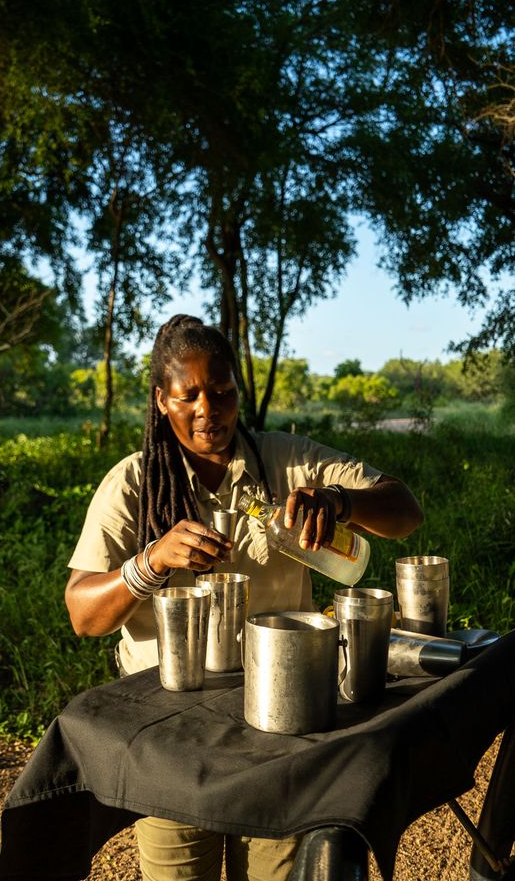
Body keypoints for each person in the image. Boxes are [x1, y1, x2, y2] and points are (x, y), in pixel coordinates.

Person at [65, 314, 424, 881]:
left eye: (222, 391)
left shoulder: (286, 463)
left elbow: (405, 511)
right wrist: (151, 562)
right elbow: (84, 614)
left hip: (278, 724)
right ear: (160, 400)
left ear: (238, 391)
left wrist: (337, 502)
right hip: (170, 738)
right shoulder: (134, 483)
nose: (208, 409)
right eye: (188, 396)